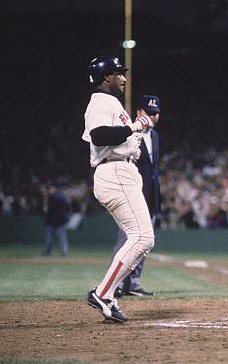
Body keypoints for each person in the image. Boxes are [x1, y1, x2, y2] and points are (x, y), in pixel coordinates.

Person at [82, 56, 155, 323]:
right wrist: (133, 127)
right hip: (114, 171)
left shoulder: (112, 103)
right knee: (143, 237)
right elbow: (99, 135)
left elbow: (118, 136)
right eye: (118, 73)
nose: (123, 78)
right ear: (105, 77)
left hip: (122, 170)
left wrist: (135, 133)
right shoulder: (100, 101)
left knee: (139, 237)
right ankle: (103, 292)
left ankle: (108, 296)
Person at [113, 95, 162, 297]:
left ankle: (133, 283)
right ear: (139, 113)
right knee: (125, 239)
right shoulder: (130, 133)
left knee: (145, 241)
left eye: (156, 112)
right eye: (149, 112)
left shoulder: (156, 136)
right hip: (132, 193)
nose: (154, 116)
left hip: (150, 196)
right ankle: (114, 285)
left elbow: (153, 170)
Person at [43, 184, 70, 256]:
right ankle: (48, 252)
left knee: (61, 238)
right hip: (51, 221)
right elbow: (45, 210)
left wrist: (50, 195)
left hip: (59, 220)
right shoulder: (48, 198)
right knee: (49, 238)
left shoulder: (58, 196)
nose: (50, 190)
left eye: (51, 188)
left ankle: (64, 252)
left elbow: (64, 204)